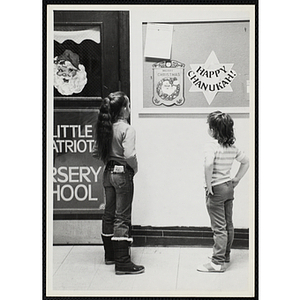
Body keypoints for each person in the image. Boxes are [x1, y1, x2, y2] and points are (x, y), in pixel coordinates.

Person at [93, 91, 144, 275]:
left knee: (109, 214)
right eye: (129, 105)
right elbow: (129, 154)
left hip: (107, 172)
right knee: (122, 217)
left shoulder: (105, 127)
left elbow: (95, 152)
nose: (130, 109)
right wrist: (134, 167)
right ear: (124, 109)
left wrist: (110, 157)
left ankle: (110, 255)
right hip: (122, 174)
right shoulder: (127, 129)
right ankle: (123, 262)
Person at [197, 111, 249, 273]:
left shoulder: (210, 146)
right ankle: (225, 255)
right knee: (228, 224)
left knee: (219, 227)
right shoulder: (232, 147)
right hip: (228, 187)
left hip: (216, 190)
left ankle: (217, 263)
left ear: (213, 130)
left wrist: (208, 185)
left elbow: (208, 165)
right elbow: (246, 162)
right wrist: (236, 179)